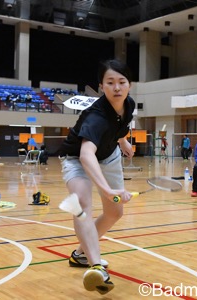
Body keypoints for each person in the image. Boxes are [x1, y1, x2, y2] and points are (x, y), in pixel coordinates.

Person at [58, 59, 135, 294]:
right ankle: (97, 269)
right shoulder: (96, 117)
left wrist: (123, 142)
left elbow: (120, 126)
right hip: (76, 158)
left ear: (129, 85)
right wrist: (107, 190)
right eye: (110, 83)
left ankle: (80, 254)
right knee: (81, 205)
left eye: (122, 82)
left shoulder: (128, 104)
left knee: (115, 211)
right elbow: (85, 154)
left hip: (110, 156)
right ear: (102, 86)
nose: (117, 88)